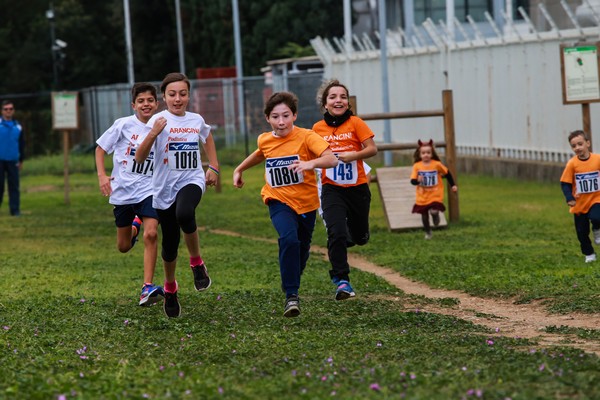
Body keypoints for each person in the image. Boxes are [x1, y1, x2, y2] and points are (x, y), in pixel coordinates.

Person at [233, 91, 337, 317]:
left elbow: (331, 159)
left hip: (307, 203)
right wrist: (239, 169)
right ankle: (292, 296)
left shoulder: (307, 137)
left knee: (301, 249)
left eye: (286, 116)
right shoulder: (265, 139)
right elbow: (261, 153)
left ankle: (291, 277)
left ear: (295, 116)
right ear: (268, 118)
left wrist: (310, 164)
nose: (281, 122)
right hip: (277, 199)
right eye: (275, 117)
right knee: (288, 238)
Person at [135, 72, 220, 318]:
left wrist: (213, 166)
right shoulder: (157, 120)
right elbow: (140, 157)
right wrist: (153, 133)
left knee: (185, 213)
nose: (178, 99)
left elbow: (208, 138)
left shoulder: (196, 120)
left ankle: (196, 263)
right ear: (164, 97)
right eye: (172, 94)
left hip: (191, 179)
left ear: (189, 96)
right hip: (163, 188)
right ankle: (170, 288)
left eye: (183, 94)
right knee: (170, 244)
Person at [95, 83, 164, 307]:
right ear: (133, 105)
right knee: (124, 246)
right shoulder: (123, 125)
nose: (146, 104)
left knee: (152, 234)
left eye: (150, 100)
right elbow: (100, 149)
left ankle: (147, 287)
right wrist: (102, 176)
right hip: (123, 193)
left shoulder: (163, 125)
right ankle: (135, 224)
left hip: (150, 190)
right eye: (141, 101)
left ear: (156, 103)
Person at [312, 80, 377, 300]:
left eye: (342, 96)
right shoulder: (317, 129)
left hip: (357, 188)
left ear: (347, 102)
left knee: (358, 236)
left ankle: (358, 234)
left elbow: (372, 149)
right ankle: (342, 281)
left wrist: (353, 156)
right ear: (325, 103)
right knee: (336, 231)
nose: (338, 100)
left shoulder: (356, 123)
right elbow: (311, 155)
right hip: (332, 189)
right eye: (332, 97)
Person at [560, 130, 600, 263]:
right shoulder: (572, 164)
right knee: (581, 232)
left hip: (596, 198)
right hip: (579, 203)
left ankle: (597, 229)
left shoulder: (597, 159)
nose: (577, 148)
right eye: (574, 146)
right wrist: (569, 198)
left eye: (580, 144)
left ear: (587, 143)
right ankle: (589, 253)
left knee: (597, 217)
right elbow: (565, 183)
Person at [410, 139, 457, 240]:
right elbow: (412, 181)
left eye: (428, 152)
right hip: (422, 195)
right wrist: (418, 181)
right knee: (424, 214)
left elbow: (447, 173)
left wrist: (453, 185)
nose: (426, 155)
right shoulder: (417, 166)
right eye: (423, 153)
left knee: (434, 210)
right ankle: (428, 232)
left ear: (432, 153)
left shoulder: (436, 164)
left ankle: (436, 216)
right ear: (419, 154)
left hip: (435, 193)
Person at [0, 100, 24, 216]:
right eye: (6, 109)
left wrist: (21, 160)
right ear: (2, 111)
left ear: (13, 111)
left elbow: (21, 144)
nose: (8, 111)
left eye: (10, 109)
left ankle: (15, 210)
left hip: (13, 160)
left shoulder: (18, 127)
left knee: (14, 186)